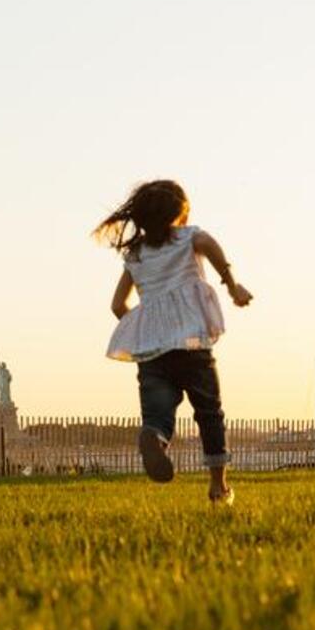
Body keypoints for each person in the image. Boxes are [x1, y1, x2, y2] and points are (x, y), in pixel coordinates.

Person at [95, 180, 253, 504]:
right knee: (209, 413)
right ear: (179, 213)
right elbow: (210, 244)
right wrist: (232, 284)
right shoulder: (188, 237)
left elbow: (116, 306)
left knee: (157, 414)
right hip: (193, 346)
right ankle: (218, 486)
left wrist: (146, 331)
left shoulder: (136, 255)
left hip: (153, 354)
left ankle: (156, 438)